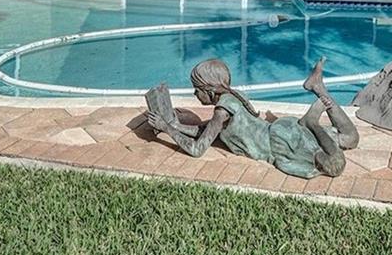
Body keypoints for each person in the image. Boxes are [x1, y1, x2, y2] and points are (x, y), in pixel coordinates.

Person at [142, 57, 360, 178]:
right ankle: (318, 89)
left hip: (280, 144)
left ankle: (311, 119)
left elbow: (197, 149)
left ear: (209, 90)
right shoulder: (234, 96)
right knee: (350, 138)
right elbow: (207, 131)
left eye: (197, 90)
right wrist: (175, 124)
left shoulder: (222, 111)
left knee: (334, 165)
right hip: (283, 130)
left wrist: (168, 129)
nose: (194, 94)